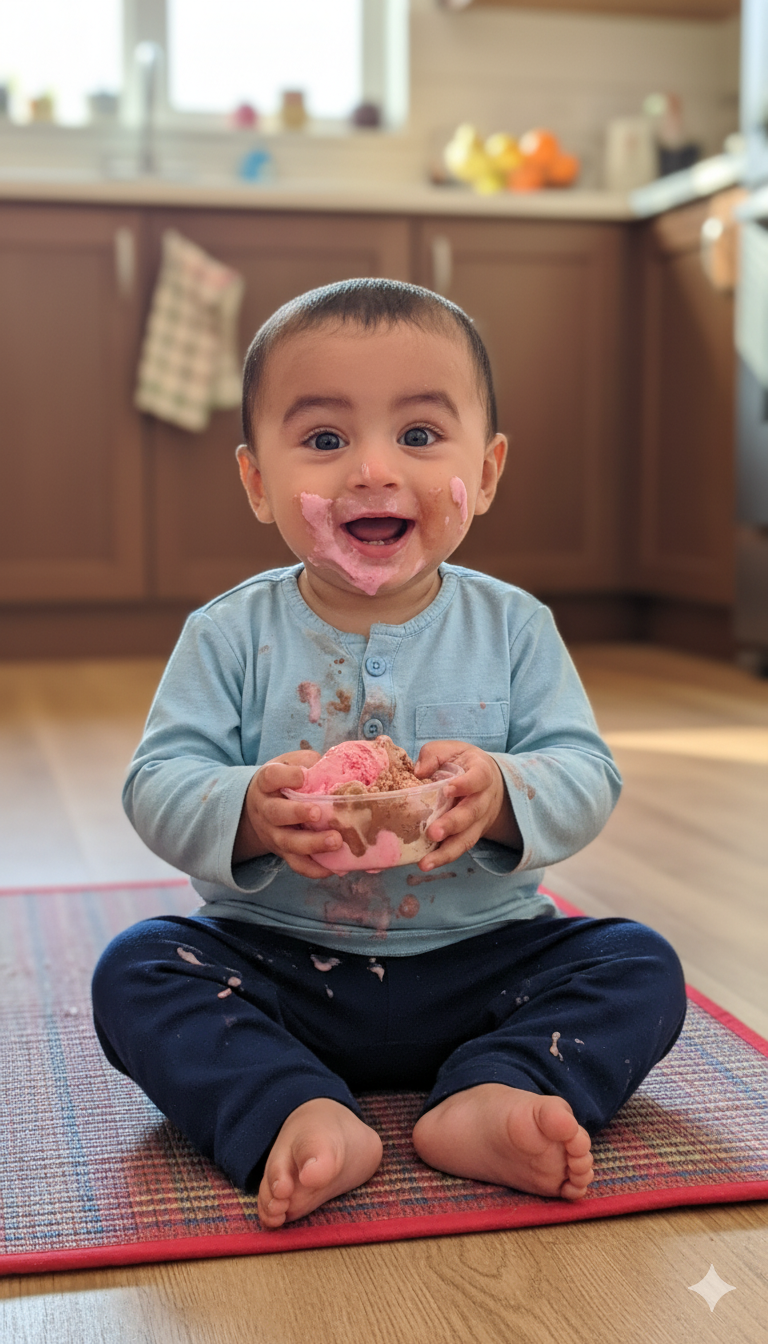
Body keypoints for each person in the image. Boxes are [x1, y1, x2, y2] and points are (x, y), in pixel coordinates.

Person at [92, 278, 687, 1229]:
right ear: (257, 481)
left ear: (485, 473)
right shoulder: (228, 635)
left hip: (483, 964)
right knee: (138, 968)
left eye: (417, 436)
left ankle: (496, 1091)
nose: (372, 469)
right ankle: (295, 1106)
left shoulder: (514, 628)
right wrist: (248, 806)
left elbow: (585, 771)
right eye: (325, 440)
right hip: (281, 967)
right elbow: (157, 781)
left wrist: (501, 794)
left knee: (638, 962)